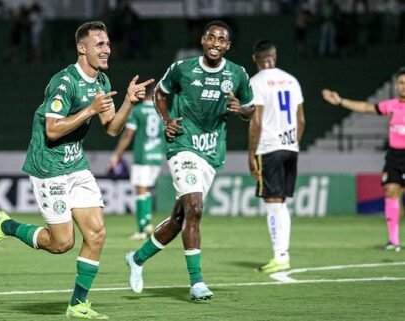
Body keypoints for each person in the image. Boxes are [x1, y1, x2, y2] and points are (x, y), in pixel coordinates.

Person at [0, 21, 153, 319]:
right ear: (81, 48)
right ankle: (6, 226)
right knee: (62, 243)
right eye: (99, 44)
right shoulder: (64, 82)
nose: (106, 49)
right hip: (48, 165)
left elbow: (112, 129)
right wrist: (89, 110)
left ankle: (78, 304)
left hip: (76, 164)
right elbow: (51, 129)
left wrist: (126, 103)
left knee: (97, 233)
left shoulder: (102, 82)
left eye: (108, 43)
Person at [125, 20, 255, 301]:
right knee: (195, 208)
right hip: (181, 144)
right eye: (211, 38)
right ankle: (196, 283)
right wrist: (167, 120)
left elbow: (250, 109)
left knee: (179, 217)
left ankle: (136, 258)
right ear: (203, 40)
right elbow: (160, 93)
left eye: (222, 40)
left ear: (228, 45)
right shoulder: (182, 68)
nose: (216, 43)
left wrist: (240, 109)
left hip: (211, 152)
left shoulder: (237, 74)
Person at [322, 68, 405, 252]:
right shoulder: (392, 105)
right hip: (394, 157)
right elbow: (367, 108)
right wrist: (341, 101)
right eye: (400, 83)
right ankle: (394, 241)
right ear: (396, 85)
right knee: (391, 191)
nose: (403, 86)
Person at [248, 40, 305, 273]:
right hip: (291, 146)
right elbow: (301, 120)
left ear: (256, 58)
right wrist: (292, 143)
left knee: (272, 202)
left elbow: (256, 119)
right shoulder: (292, 80)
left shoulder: (257, 81)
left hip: (268, 147)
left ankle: (280, 256)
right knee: (281, 202)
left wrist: (251, 153)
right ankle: (283, 253)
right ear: (275, 55)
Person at [108, 84, 164, 240]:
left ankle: (141, 229)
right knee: (146, 190)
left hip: (143, 156)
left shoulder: (138, 111)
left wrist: (116, 156)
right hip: (157, 156)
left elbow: (128, 135)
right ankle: (148, 224)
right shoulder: (161, 111)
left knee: (140, 190)